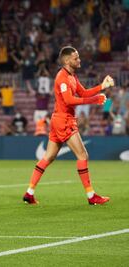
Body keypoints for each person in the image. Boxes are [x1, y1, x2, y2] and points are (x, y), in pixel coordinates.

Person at [22, 46, 114, 205]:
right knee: (82, 155)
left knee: (48, 157)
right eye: (76, 58)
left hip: (59, 119)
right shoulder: (62, 78)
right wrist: (95, 100)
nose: (79, 60)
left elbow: (83, 93)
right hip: (64, 120)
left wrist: (102, 87)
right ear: (66, 60)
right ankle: (91, 196)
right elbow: (69, 100)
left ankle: (29, 193)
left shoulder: (72, 76)